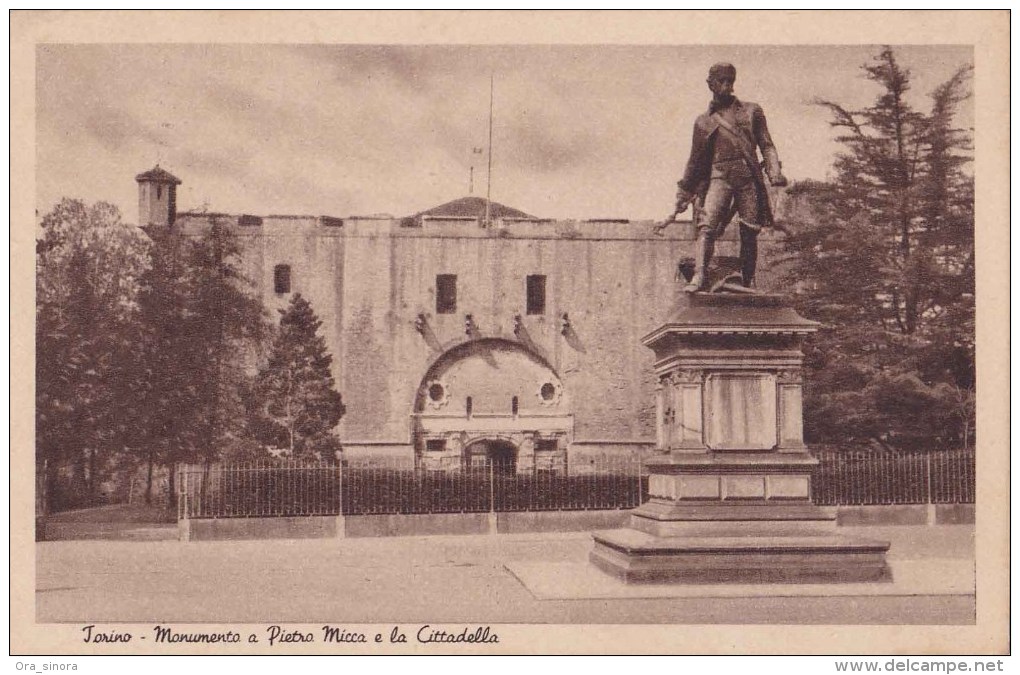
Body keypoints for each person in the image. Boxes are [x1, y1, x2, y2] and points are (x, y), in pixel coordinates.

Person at [662, 62, 787, 292]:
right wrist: (684, 192)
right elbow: (695, 161)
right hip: (719, 176)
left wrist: (774, 171)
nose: (727, 86)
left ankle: (747, 281)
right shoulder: (703, 122)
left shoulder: (752, 111)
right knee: (707, 225)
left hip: (747, 177)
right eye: (722, 81)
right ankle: (699, 276)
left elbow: (767, 145)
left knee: (749, 230)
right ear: (710, 84)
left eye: (730, 81)